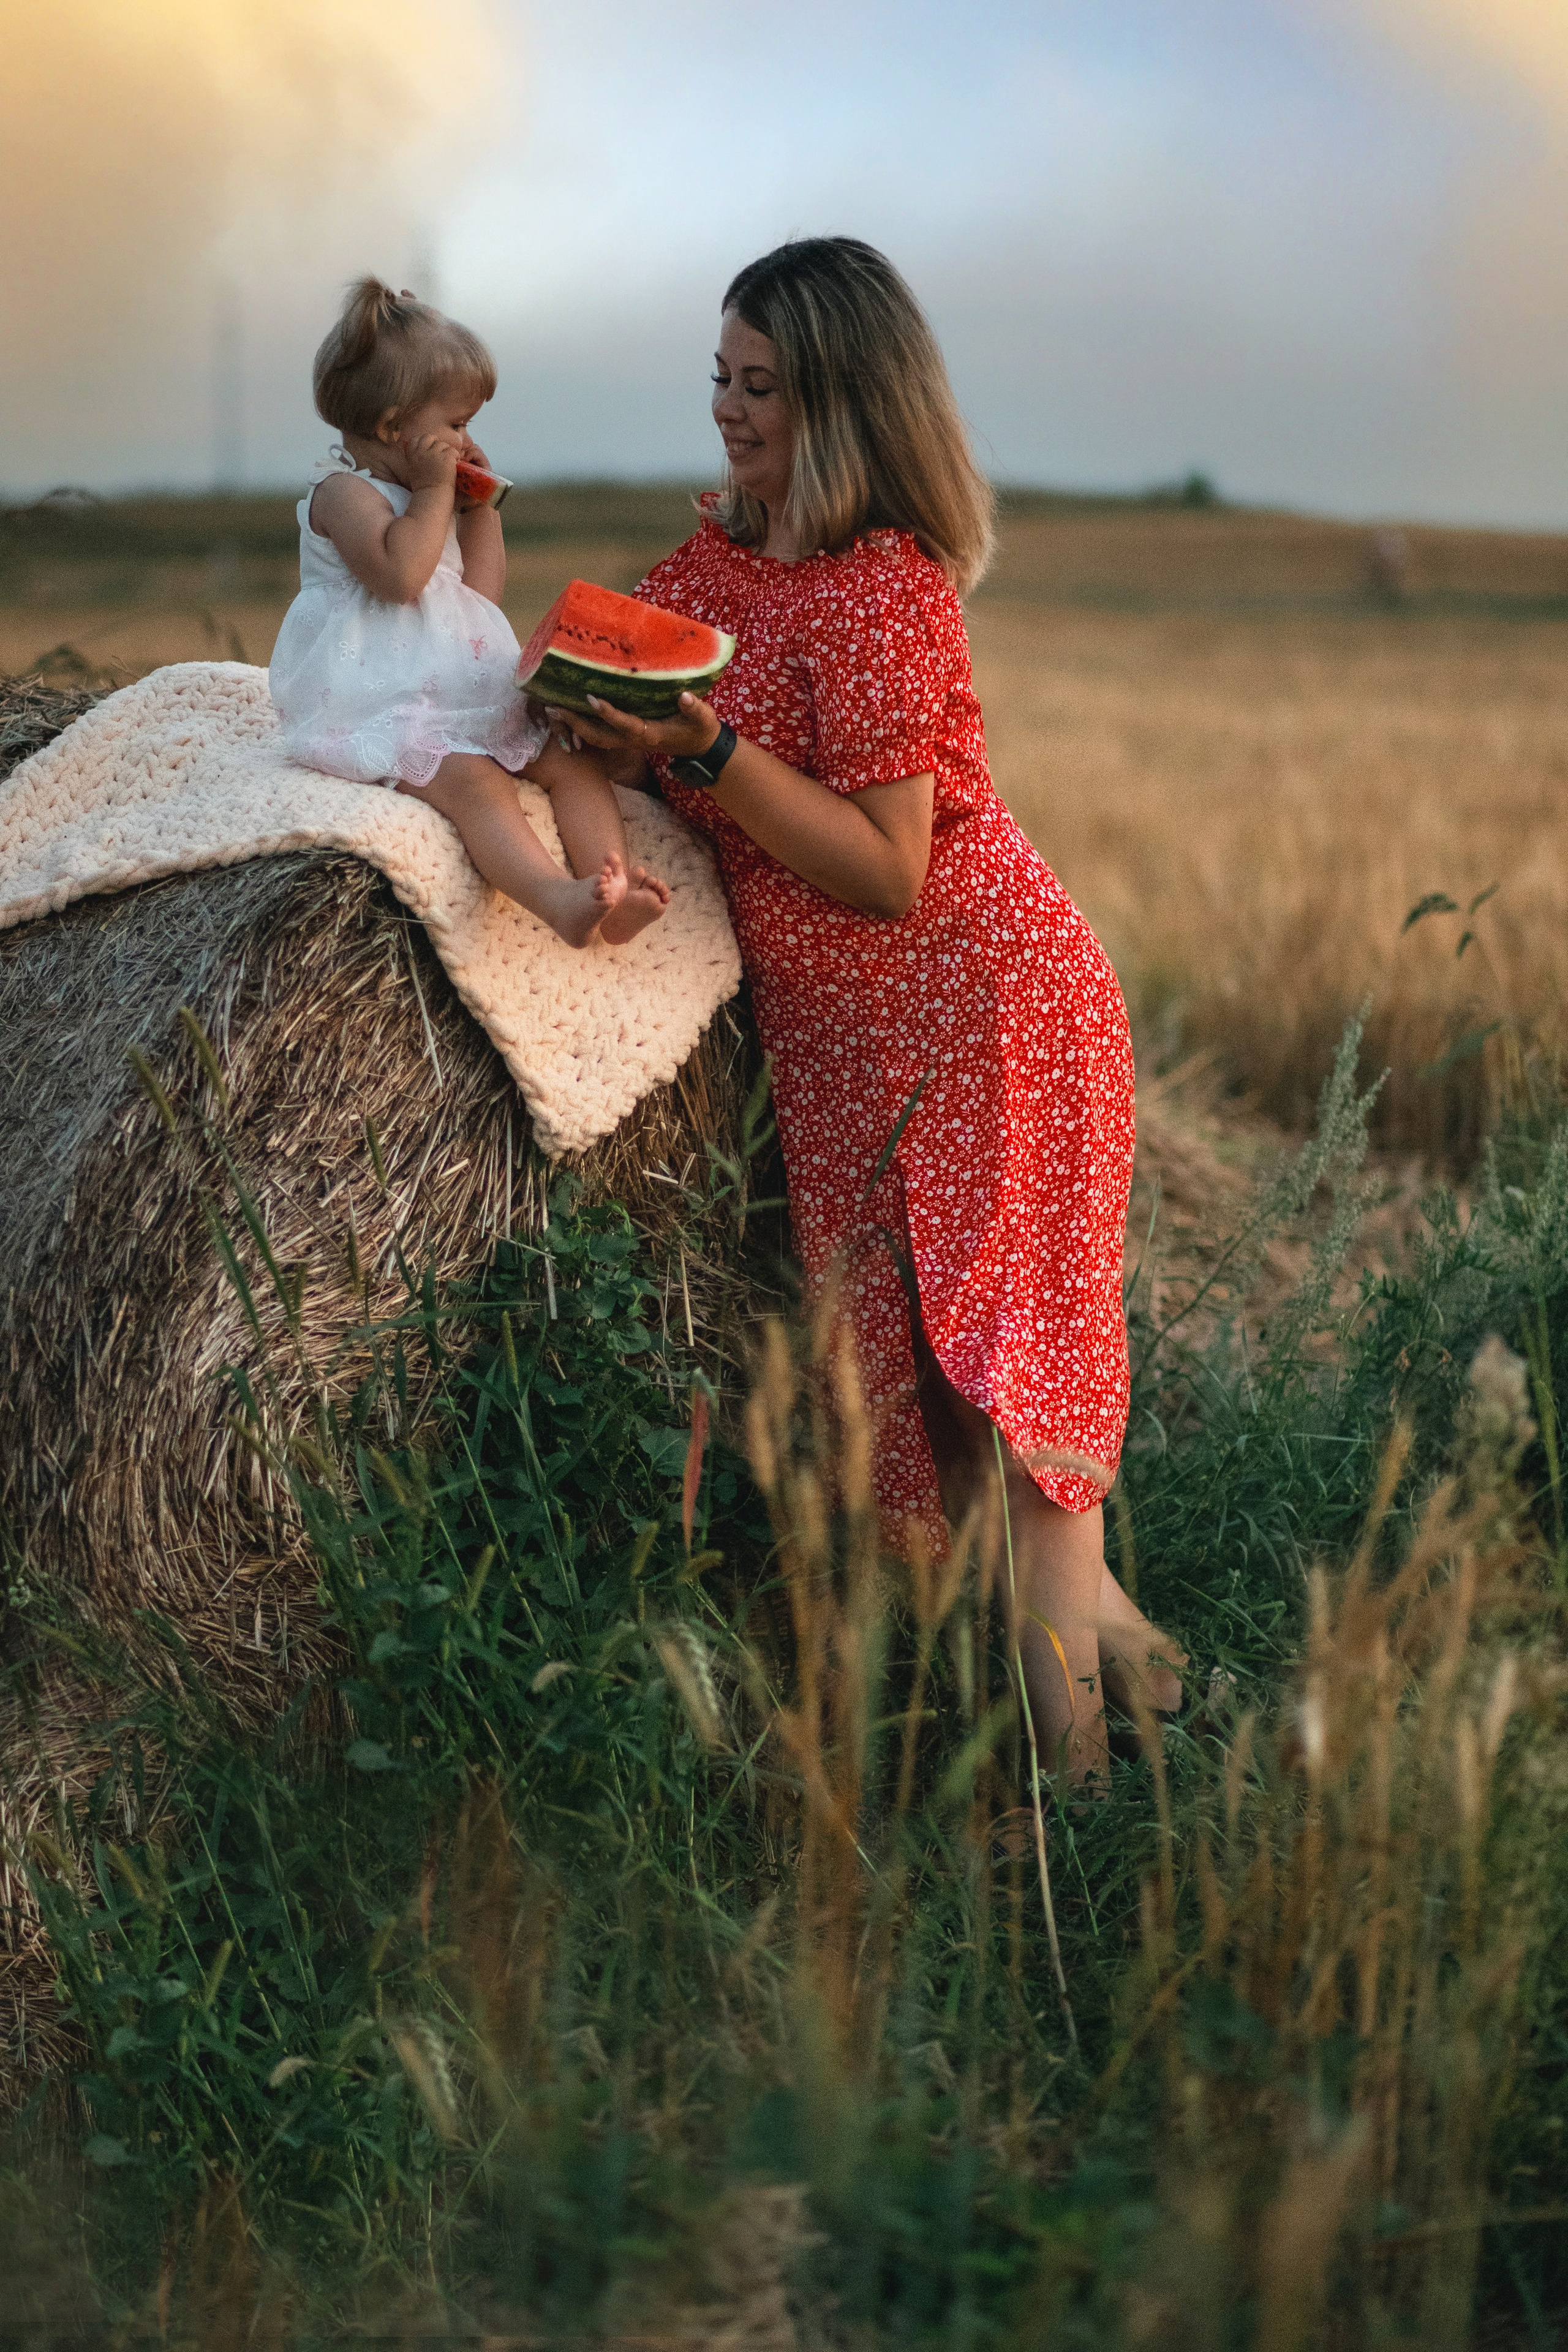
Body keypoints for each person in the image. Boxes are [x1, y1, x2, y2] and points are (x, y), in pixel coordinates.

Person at [551, 236, 1186, 1787]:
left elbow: (889, 867)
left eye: (763, 386)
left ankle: (1079, 1846)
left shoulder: (885, 592)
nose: (729, 412)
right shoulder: (696, 581)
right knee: (952, 1449)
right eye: (719, 375)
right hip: (850, 1067)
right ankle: (1196, 1724)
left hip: (995, 1015)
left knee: (1031, 1460)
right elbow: (583, 702)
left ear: (841, 402)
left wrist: (696, 752)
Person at [270, 277, 668, 948]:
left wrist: (478, 509)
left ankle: (616, 884)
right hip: (382, 698)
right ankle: (557, 899)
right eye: (455, 425)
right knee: (477, 782)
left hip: (456, 680)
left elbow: (476, 594)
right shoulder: (341, 493)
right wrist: (433, 494)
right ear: (394, 426)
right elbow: (400, 577)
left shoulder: (432, 500)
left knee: (571, 764)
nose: (466, 440)